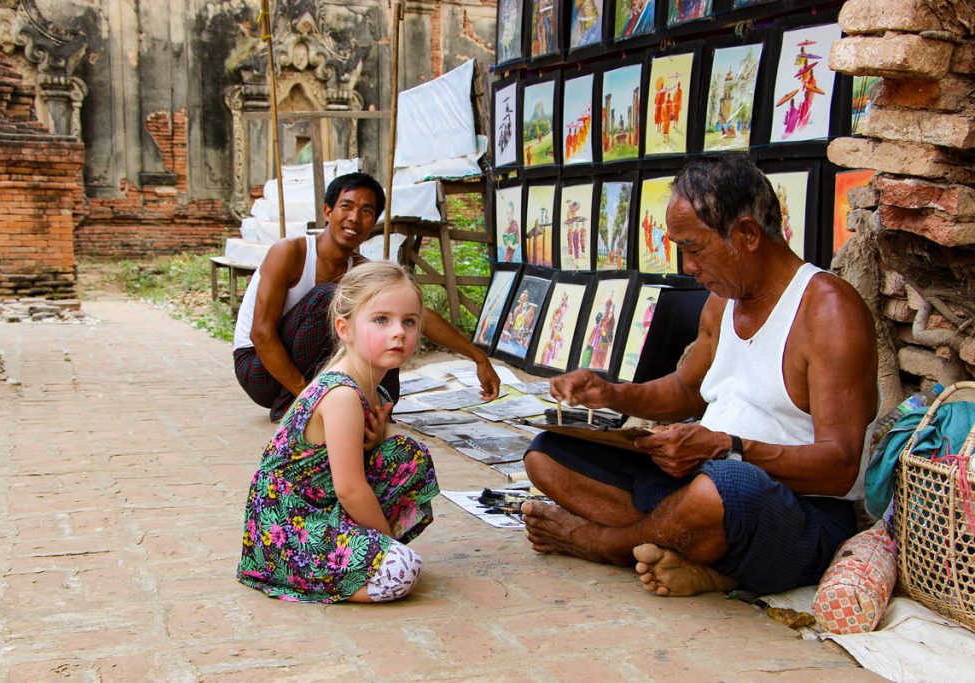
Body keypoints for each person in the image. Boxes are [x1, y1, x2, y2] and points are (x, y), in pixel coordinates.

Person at [520, 153, 879, 597]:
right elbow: (686, 390)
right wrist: (610, 393)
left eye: (693, 247)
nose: (688, 267)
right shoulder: (722, 300)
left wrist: (728, 448)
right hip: (706, 482)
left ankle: (601, 543)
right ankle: (689, 548)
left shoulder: (828, 310)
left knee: (719, 493)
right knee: (547, 453)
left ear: (746, 234)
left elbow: (841, 468)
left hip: (795, 513)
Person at [237, 261, 439, 603]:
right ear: (344, 328)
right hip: (287, 526)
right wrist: (387, 543)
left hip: (323, 506)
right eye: (381, 320)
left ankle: (363, 557)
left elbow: (355, 463)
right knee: (401, 571)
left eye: (409, 321)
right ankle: (330, 574)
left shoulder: (376, 386)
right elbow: (349, 488)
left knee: (408, 456)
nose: (398, 332)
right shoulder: (342, 394)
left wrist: (376, 442)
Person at [233, 172, 500, 422]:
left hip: (308, 366)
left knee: (385, 316)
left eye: (366, 212)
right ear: (328, 211)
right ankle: (295, 407)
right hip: (258, 370)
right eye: (346, 207)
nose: (354, 218)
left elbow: (419, 315)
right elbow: (261, 334)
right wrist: (308, 397)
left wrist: (479, 357)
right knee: (331, 296)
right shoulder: (291, 252)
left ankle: (378, 410)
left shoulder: (361, 269)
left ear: (374, 222)